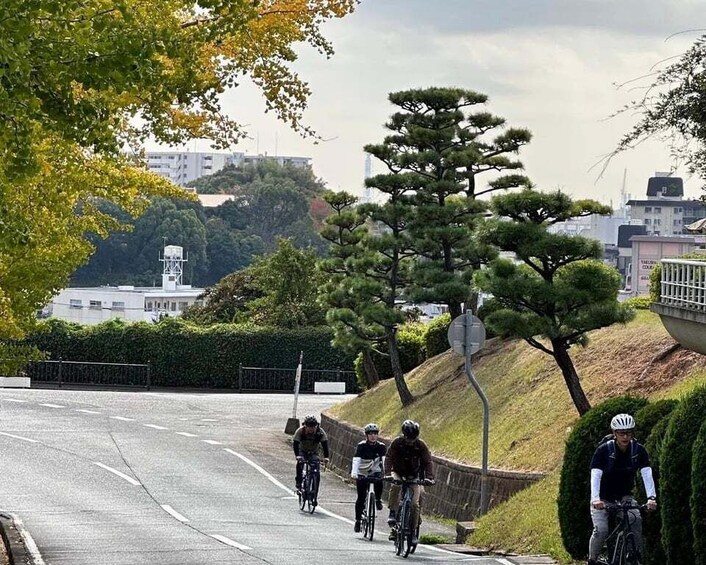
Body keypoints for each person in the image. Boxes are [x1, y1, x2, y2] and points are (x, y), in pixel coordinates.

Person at [587, 413, 657, 565]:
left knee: (635, 519)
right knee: (601, 530)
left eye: (629, 432)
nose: (625, 437)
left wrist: (651, 498)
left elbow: (646, 473)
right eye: (621, 433)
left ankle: (634, 557)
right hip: (603, 497)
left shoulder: (638, 450)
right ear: (614, 433)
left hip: (624, 496)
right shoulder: (603, 451)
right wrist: (596, 499)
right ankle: (592, 559)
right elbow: (595, 475)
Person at [384, 419, 435, 545]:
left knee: (414, 504)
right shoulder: (397, 443)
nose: (410, 441)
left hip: (414, 476)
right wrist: (387, 474)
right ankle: (392, 512)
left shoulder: (421, 445)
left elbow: (427, 461)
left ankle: (412, 531)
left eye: (413, 438)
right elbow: (389, 457)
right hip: (398, 473)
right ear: (404, 435)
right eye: (408, 438)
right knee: (395, 486)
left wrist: (429, 477)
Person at [351, 422, 387, 533]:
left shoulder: (381, 446)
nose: (373, 436)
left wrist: (386, 473)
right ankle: (358, 520)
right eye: (370, 434)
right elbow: (356, 460)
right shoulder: (361, 446)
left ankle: (377, 499)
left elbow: (384, 460)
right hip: (362, 472)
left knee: (380, 481)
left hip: (375, 471)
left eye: (375, 433)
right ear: (366, 435)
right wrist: (354, 473)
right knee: (361, 497)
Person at [293, 415, 330, 493]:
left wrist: (326, 457)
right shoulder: (300, 431)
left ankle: (314, 491)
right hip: (302, 450)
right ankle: (299, 481)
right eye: (309, 427)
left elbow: (325, 444)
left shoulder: (320, 432)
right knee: (300, 463)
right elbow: (295, 444)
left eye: (313, 427)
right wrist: (297, 456)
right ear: (305, 426)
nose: (311, 429)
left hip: (314, 452)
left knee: (316, 471)